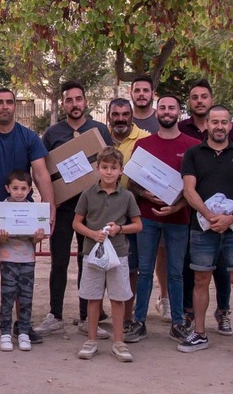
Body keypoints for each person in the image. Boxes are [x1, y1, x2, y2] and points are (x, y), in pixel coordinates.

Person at [0, 88, 55, 345]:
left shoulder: (28, 137)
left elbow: (40, 174)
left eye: (9, 102)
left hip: (21, 215)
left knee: (18, 270)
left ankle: (21, 325)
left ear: (15, 106)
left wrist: (49, 209)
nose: (4, 106)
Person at [178, 105, 233, 360]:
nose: (220, 127)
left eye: (224, 122)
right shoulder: (193, 154)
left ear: (230, 125)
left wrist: (231, 217)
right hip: (202, 228)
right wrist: (210, 216)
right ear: (208, 125)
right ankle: (199, 332)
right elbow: (189, 190)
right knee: (200, 280)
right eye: (215, 122)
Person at [37, 81, 111, 339]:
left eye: (78, 99)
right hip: (64, 207)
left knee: (88, 262)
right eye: (69, 100)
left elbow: (109, 165)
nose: (74, 104)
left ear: (85, 102)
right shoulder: (53, 133)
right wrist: (49, 203)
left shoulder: (99, 130)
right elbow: (44, 170)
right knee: (59, 261)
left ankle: (85, 316)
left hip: (92, 210)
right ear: (63, 104)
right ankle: (54, 315)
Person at [124, 95, 197, 344]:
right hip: (146, 217)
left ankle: (178, 323)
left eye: (172, 108)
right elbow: (132, 182)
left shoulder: (192, 145)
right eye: (163, 107)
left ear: (179, 112)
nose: (167, 112)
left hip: (179, 218)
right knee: (144, 270)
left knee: (176, 272)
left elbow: (197, 187)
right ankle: (139, 322)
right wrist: (145, 193)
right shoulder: (144, 145)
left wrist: (177, 206)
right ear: (157, 113)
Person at [176, 79, 233, 333]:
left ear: (211, 100)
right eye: (194, 97)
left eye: (204, 96)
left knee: (223, 267)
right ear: (189, 102)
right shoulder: (180, 129)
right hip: (191, 214)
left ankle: (223, 312)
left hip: (226, 218)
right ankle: (189, 312)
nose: (199, 100)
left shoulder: (232, 132)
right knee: (191, 266)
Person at [73, 147, 142, 361]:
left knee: (118, 298)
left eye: (113, 168)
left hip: (119, 254)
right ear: (97, 169)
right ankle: (91, 339)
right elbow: (76, 222)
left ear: (121, 170)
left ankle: (119, 341)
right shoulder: (88, 194)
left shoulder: (127, 196)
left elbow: (138, 225)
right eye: (104, 167)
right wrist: (92, 234)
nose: (109, 172)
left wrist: (119, 229)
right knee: (94, 297)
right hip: (92, 253)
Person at [108, 97, 151, 328]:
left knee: (130, 267)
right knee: (99, 264)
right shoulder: (101, 138)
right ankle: (97, 315)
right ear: (109, 116)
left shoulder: (145, 140)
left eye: (125, 114)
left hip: (132, 212)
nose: (121, 118)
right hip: (102, 212)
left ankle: (126, 317)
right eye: (116, 114)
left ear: (131, 116)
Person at [0, 170, 46, 352]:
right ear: (7, 188)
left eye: (23, 188)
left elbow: (35, 237)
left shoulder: (33, 209)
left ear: (30, 189)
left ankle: (23, 332)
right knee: (7, 296)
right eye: (15, 188)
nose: (19, 192)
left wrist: (38, 238)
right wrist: (0, 237)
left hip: (28, 258)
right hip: (8, 258)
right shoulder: (0, 208)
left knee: (26, 297)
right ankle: (5, 333)